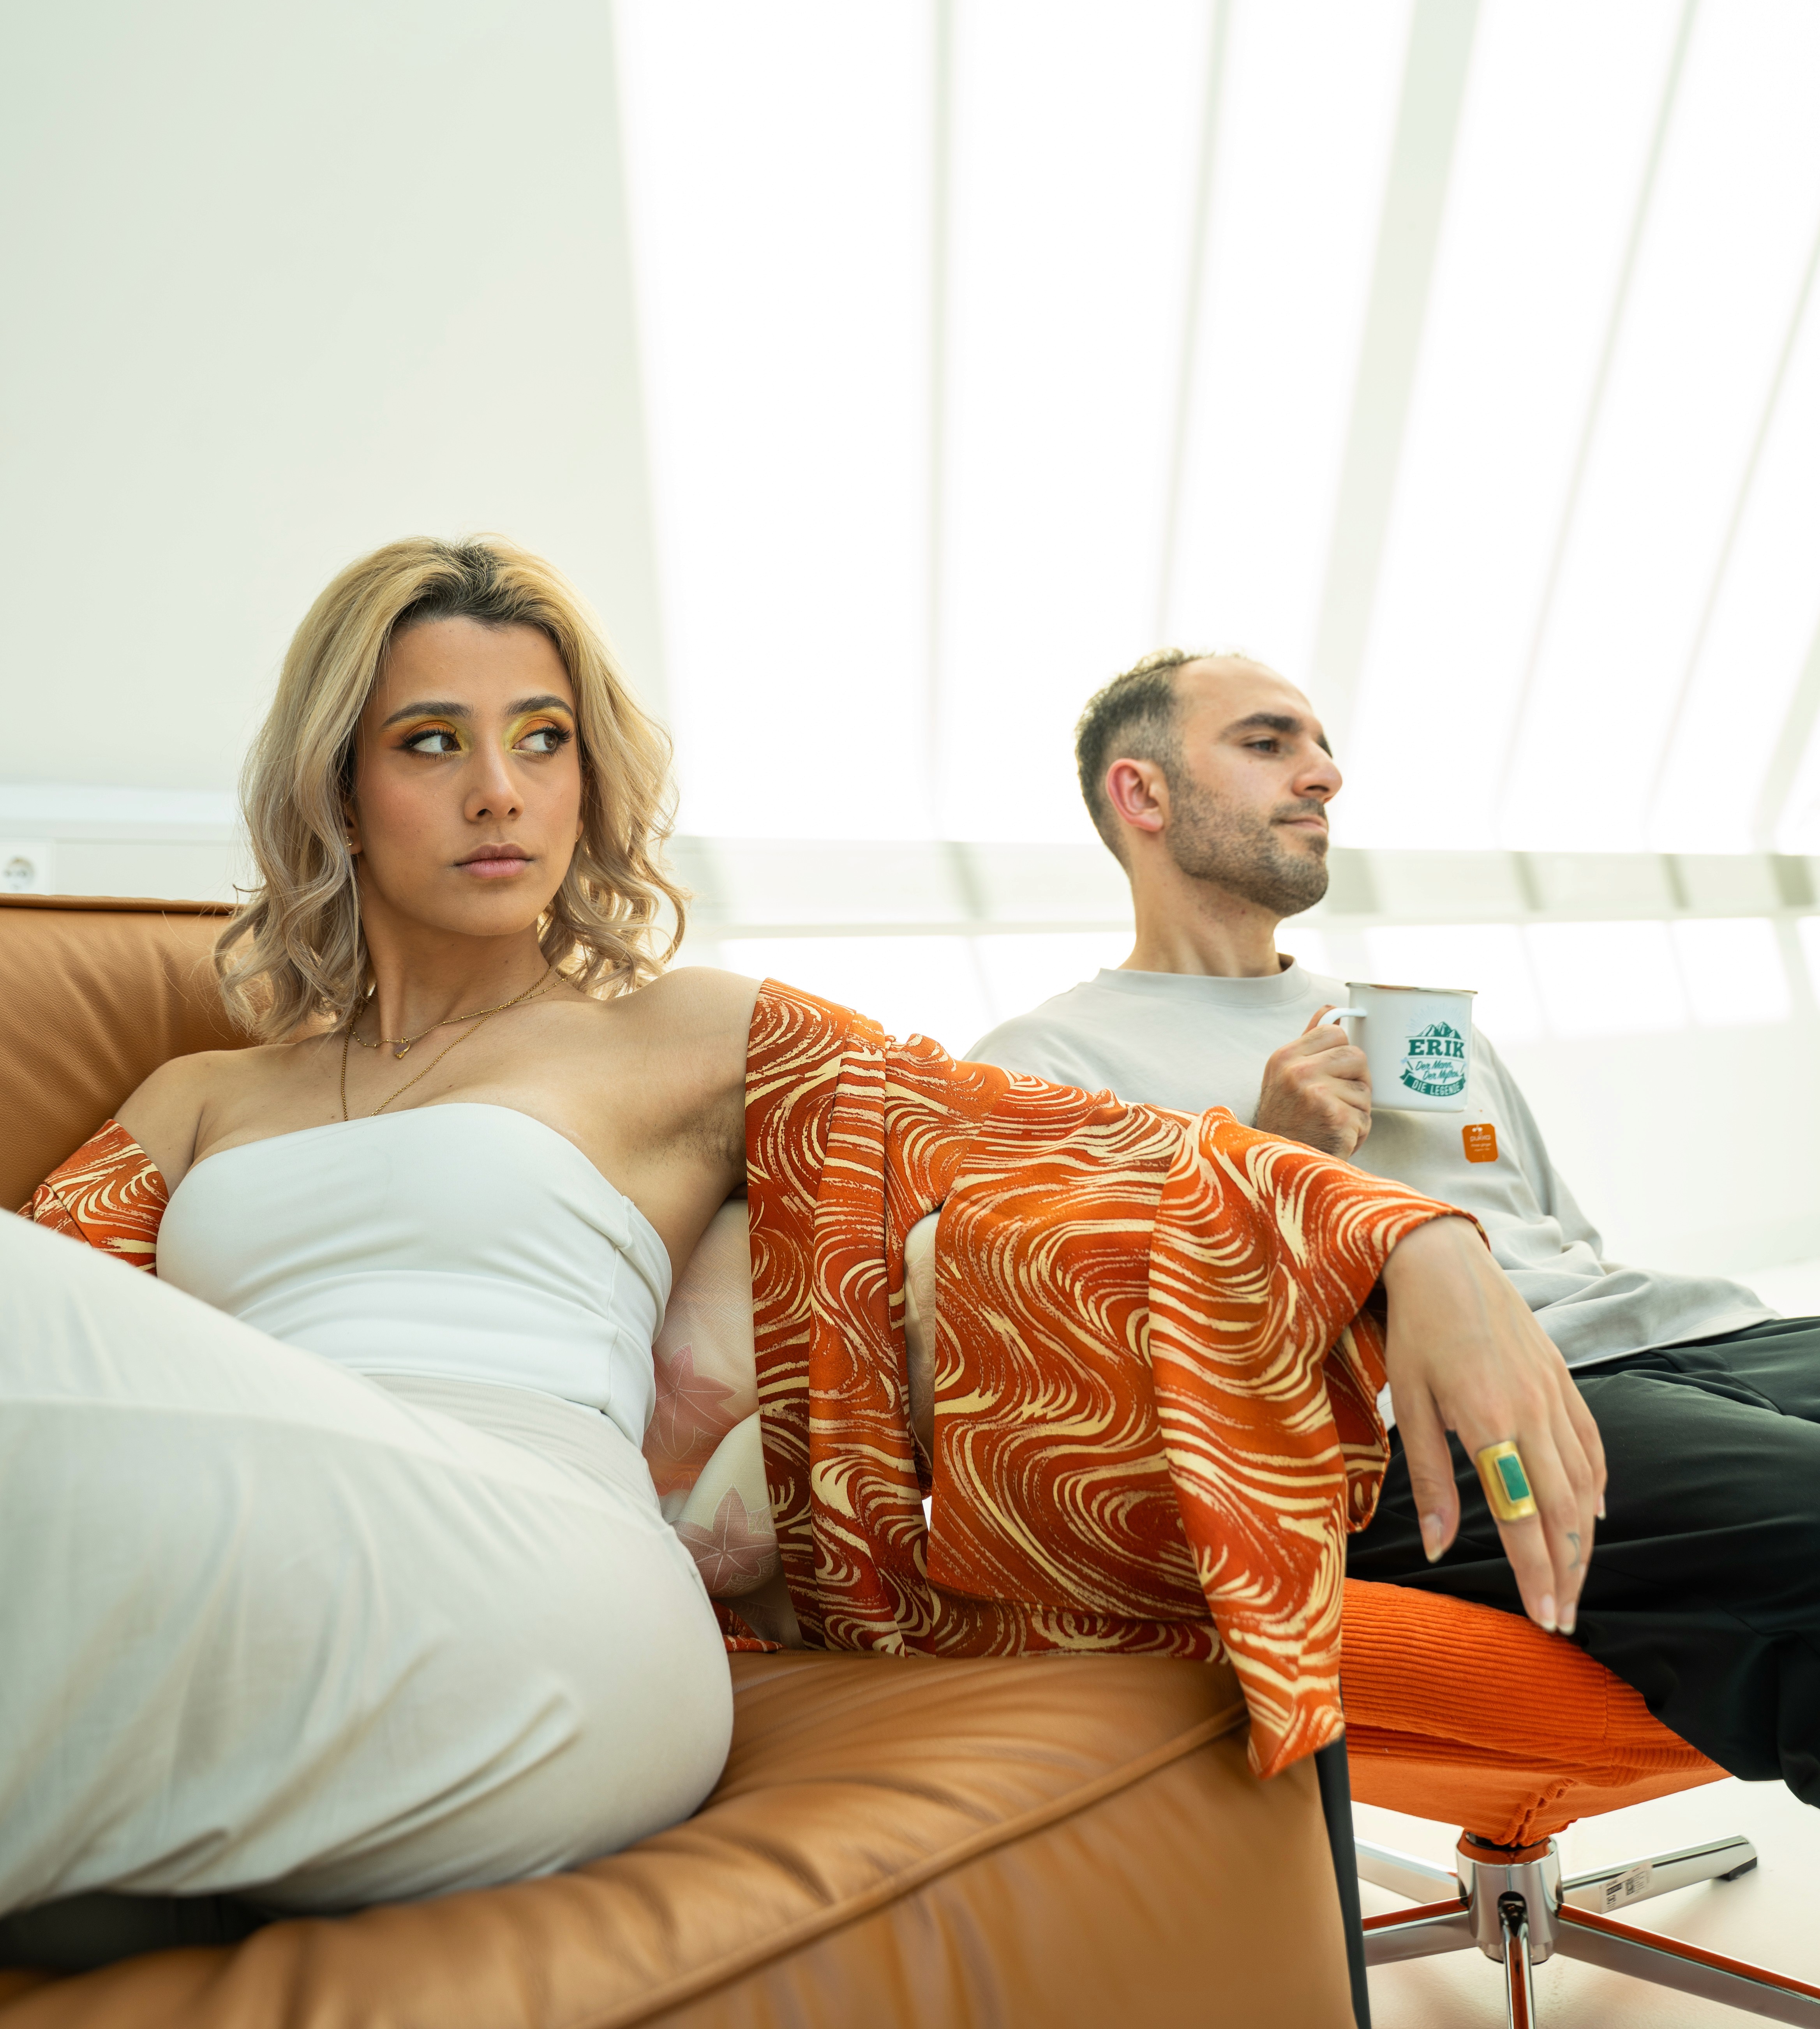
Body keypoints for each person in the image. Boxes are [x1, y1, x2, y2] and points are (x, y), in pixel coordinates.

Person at [1, 543, 1600, 1920]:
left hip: (547, 1584)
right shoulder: (200, 1097)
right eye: (432, 742)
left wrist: (1414, 1239)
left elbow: (1069, 1145)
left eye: (544, 739)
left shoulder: (683, 1034)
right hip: (251, 1555)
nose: (500, 790)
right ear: (337, 789)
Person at [968, 645, 1820, 1805]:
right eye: (1268, 743)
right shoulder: (1041, 1067)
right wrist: (1270, 1158)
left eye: (1322, 747)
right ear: (1143, 793)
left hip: (1696, 1339)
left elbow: (1563, 1243)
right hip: (1412, 1427)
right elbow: (1090, 1398)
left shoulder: (1420, 1026)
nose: (1324, 773)